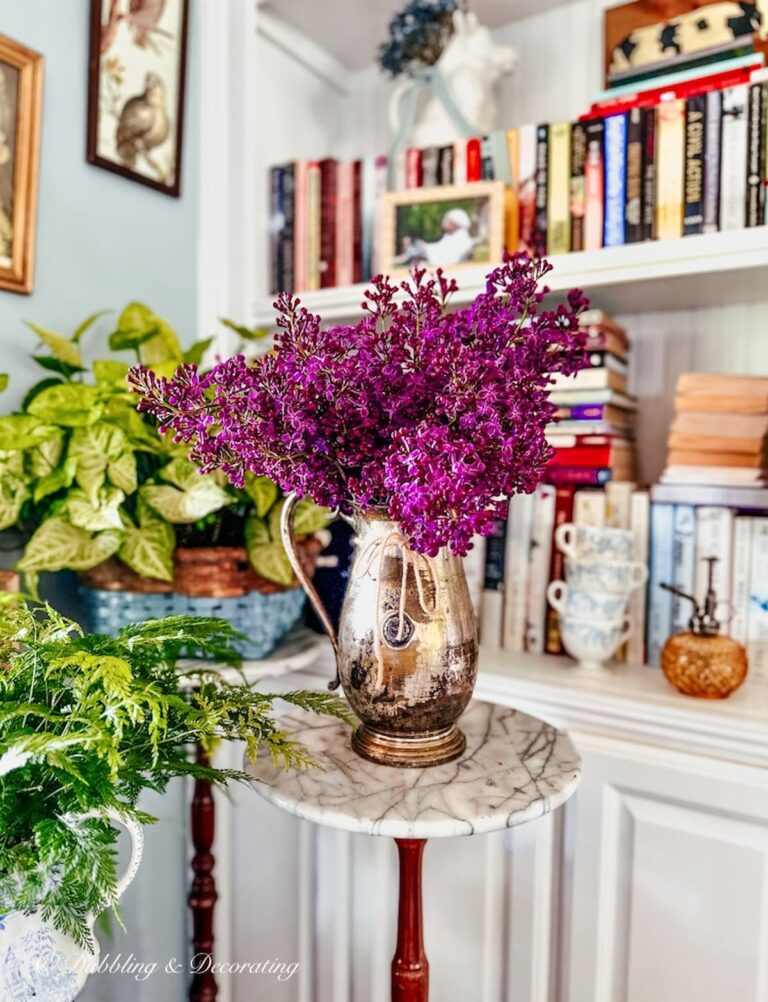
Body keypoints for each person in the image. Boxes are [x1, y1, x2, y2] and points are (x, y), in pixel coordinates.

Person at [395, 206, 476, 267]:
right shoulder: (450, 235)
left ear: (455, 223)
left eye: (447, 220)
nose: (444, 221)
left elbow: (446, 259)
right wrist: (423, 246)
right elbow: (439, 248)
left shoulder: (461, 239)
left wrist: (425, 250)